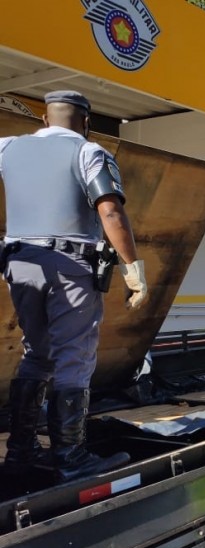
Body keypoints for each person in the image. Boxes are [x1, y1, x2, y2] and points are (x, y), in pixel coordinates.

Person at [0, 90, 147, 483]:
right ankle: (70, 456)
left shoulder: (8, 148)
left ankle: (21, 450)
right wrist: (133, 267)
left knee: (37, 354)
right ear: (85, 122)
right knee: (74, 356)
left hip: (19, 262)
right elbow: (110, 209)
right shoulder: (89, 152)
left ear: (44, 121)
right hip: (69, 267)